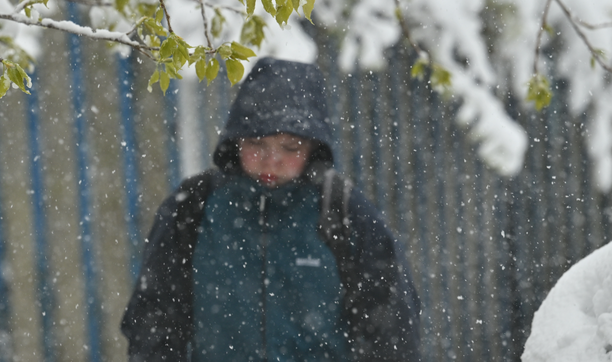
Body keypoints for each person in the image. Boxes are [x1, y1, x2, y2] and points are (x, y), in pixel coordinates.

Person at [121, 58, 422, 362]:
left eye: (290, 147)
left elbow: (392, 328)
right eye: (256, 143)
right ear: (236, 139)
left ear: (312, 147)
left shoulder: (343, 211)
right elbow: (153, 320)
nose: (271, 160)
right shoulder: (192, 207)